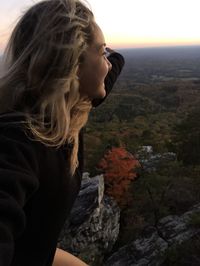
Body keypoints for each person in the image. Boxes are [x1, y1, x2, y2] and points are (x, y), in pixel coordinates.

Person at [0, 0, 125, 265]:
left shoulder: (72, 110)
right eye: (101, 53)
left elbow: (113, 66)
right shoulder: (16, 143)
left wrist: (107, 52)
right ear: (72, 66)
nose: (108, 64)